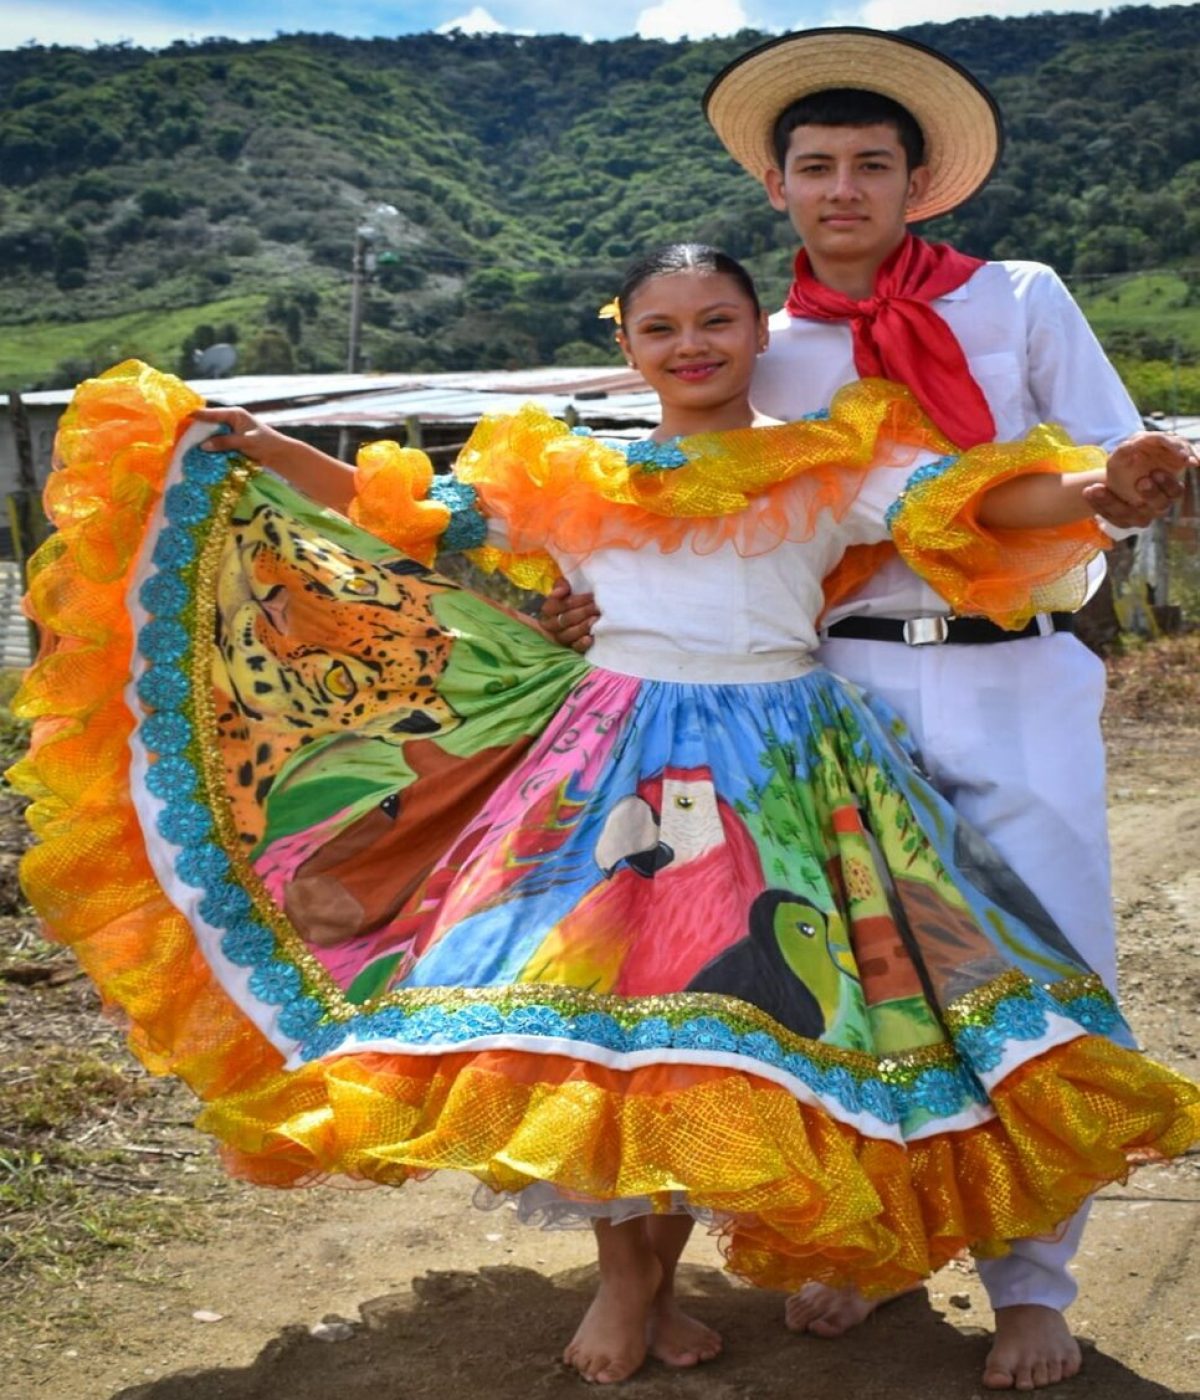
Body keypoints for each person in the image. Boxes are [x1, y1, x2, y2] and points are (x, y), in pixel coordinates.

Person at [13, 246, 1198, 1390]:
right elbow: (419, 512)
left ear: (757, 335)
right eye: (663, 327)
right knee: (601, 1028)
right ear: (627, 345)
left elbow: (972, 495)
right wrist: (267, 448)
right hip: (605, 761)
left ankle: (851, 1257)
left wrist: (1101, 484)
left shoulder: (831, 460)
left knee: (751, 1020)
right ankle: (632, 1285)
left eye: (716, 321)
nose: (692, 344)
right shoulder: (570, 472)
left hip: (786, 767)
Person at [540, 28, 1193, 1391]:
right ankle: (859, 1238)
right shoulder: (756, 341)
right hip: (826, 689)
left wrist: (1123, 485)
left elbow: (1099, 462)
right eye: (817, 166)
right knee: (842, 980)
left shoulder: (1017, 295)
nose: (844, 189)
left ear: (918, 182)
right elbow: (682, 497)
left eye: (872, 166)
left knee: (1044, 965)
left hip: (1013, 668)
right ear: (778, 187)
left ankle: (1034, 1282)